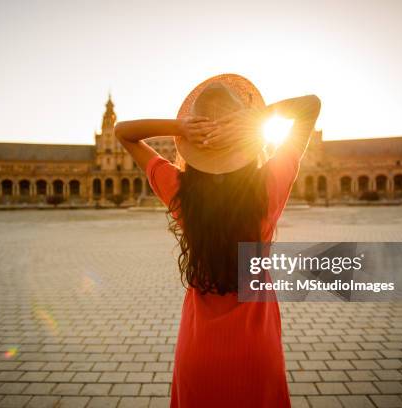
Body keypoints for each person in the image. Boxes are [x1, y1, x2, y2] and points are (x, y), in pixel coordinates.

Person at [114, 74, 321, 408]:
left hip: (199, 354)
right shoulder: (269, 187)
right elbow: (311, 106)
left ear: (194, 150)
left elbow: (123, 132)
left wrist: (181, 127)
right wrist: (252, 119)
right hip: (257, 353)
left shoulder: (181, 193)